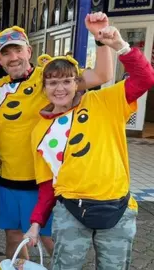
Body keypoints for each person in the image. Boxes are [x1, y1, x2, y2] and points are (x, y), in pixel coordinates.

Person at [24, 25, 154, 270]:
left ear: (78, 83)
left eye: (66, 81)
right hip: (71, 211)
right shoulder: (39, 131)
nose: (59, 88)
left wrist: (120, 46)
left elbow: (145, 79)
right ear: (44, 88)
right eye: (52, 83)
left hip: (117, 209)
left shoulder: (103, 101)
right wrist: (36, 223)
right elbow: (47, 184)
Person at [0, 12, 114, 259]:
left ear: (28, 52)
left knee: (47, 237)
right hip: (6, 178)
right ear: (0, 60)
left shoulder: (47, 77)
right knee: (14, 237)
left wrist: (100, 40)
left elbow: (101, 76)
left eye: (18, 51)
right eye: (6, 53)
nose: (13, 57)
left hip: (41, 178)